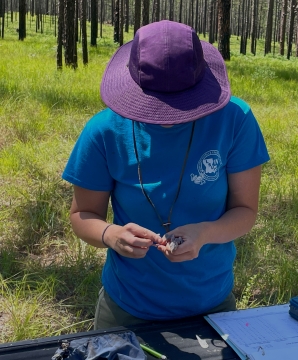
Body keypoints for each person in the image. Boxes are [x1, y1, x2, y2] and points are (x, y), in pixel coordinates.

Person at [62, 20, 270, 329]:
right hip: (128, 305)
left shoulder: (235, 120)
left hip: (212, 303)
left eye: (182, 107)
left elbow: (246, 211)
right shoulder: (104, 131)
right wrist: (112, 235)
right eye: (155, 106)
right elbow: (82, 215)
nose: (167, 118)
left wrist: (204, 234)